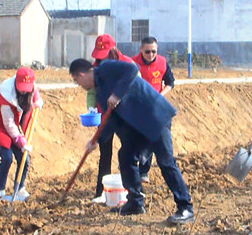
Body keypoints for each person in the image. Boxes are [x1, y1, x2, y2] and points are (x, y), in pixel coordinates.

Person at [70, 58, 195, 225]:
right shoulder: (100, 92)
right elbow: (111, 121)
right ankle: (135, 202)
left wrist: (117, 94)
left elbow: (131, 69)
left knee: (166, 162)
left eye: (77, 81)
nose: (79, 85)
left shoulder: (106, 68)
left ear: (82, 74)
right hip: (137, 126)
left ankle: (185, 207)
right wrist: (97, 141)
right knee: (126, 156)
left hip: (154, 116)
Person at [89, 33, 137, 201]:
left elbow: (136, 88)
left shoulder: (128, 65)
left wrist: (120, 97)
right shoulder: (95, 67)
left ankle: (133, 192)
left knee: (128, 153)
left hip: (126, 116)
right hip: (105, 116)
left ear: (113, 50)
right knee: (105, 153)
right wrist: (92, 109)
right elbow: (91, 91)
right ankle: (101, 193)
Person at [0, 67, 43, 202]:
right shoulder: (7, 96)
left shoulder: (31, 89)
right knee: (6, 157)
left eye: (26, 89)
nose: (23, 91)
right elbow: (9, 124)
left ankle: (20, 188)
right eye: (21, 87)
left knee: (24, 158)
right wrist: (20, 141)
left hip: (15, 128)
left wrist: (38, 102)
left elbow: (35, 95)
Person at [132, 36, 175, 179]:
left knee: (151, 139)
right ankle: (131, 169)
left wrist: (160, 96)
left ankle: (144, 171)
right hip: (137, 107)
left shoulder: (162, 62)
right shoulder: (132, 63)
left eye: (153, 52)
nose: (151, 55)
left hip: (155, 106)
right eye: (147, 52)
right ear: (141, 50)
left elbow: (170, 82)